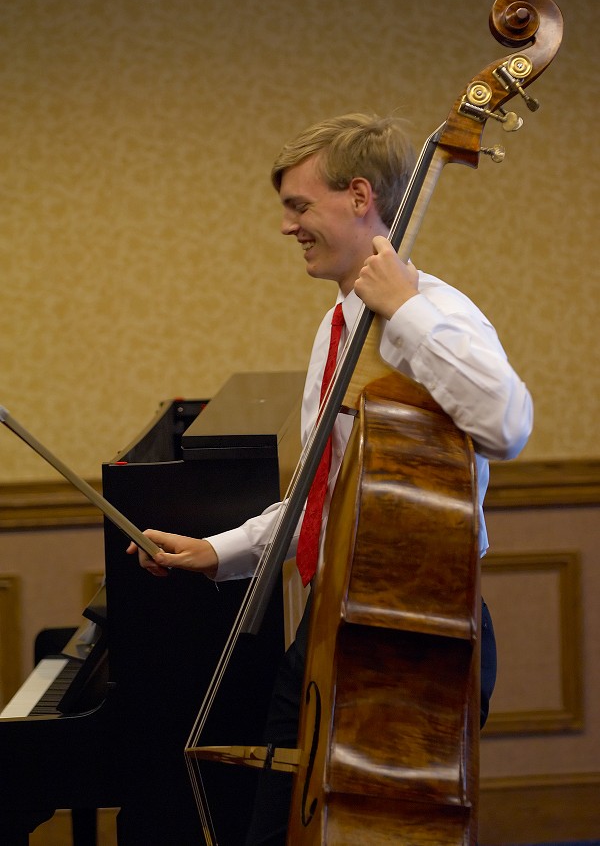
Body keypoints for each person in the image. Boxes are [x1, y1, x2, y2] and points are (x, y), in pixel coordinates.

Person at [127, 112, 533, 845]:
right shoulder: (335, 326)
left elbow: (508, 423)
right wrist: (220, 550)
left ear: (357, 197)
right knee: (277, 827)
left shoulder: (435, 312)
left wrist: (403, 309)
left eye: (298, 206)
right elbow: (327, 494)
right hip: (330, 623)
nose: (287, 227)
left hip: (411, 635)